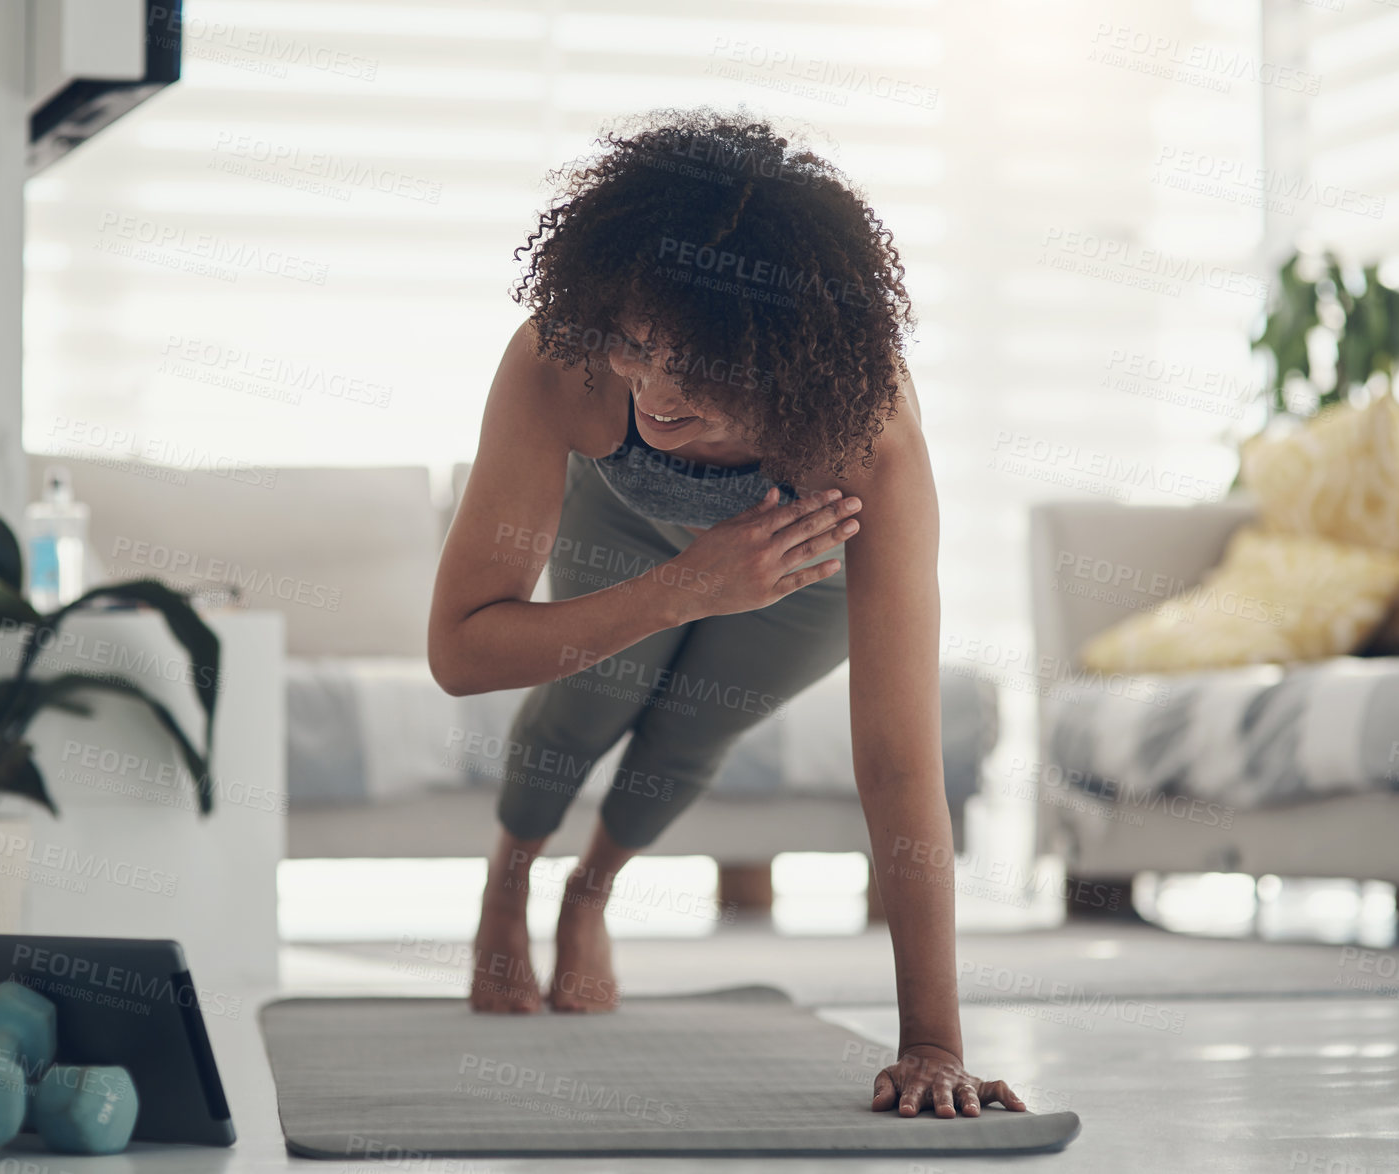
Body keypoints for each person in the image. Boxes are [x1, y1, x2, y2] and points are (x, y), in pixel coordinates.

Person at [427, 110, 1024, 1119]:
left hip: (805, 566)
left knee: (690, 728)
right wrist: (682, 588)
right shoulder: (563, 363)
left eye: (698, 362)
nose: (655, 387)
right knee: (590, 694)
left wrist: (933, 1042)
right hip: (620, 515)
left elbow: (896, 761)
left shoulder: (865, 439)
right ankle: (509, 880)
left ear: (784, 353)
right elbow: (460, 648)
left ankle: (591, 891)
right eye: (638, 342)